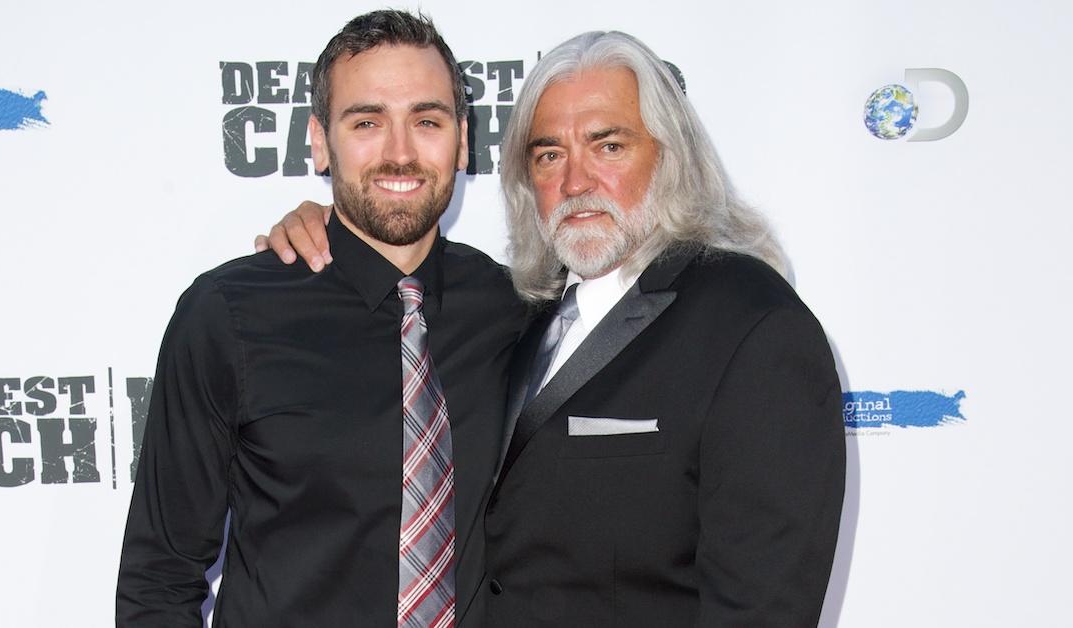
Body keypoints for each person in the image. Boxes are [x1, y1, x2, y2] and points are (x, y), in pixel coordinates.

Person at [261, 30, 845, 627]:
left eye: (608, 146)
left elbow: (762, 610)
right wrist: (326, 229)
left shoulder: (754, 326)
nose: (575, 181)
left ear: (669, 154)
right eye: (548, 155)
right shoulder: (515, 310)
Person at [117, 11, 525, 627]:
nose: (400, 152)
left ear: (463, 140)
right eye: (366, 121)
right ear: (318, 140)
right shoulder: (229, 315)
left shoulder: (514, 310)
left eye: (427, 120)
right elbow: (160, 577)